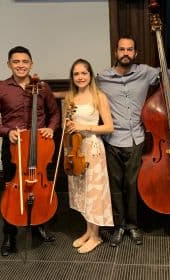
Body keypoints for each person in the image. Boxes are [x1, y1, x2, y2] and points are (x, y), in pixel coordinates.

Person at [96, 35, 170, 247]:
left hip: (137, 139)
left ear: (135, 53)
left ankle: (133, 226)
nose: (125, 53)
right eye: (122, 49)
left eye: (129, 49)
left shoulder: (146, 72)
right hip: (111, 139)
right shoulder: (101, 78)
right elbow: (80, 91)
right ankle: (119, 226)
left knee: (133, 185)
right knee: (116, 186)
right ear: (116, 52)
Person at [0, 46, 60, 256]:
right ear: (9, 64)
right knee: (11, 189)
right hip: (13, 147)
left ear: (31, 63)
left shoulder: (42, 88)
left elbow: (54, 114)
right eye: (16, 62)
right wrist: (6, 131)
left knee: (39, 187)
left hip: (40, 148)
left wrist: (50, 129)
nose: (20, 65)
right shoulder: (0, 88)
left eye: (24, 61)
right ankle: (9, 234)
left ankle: (39, 224)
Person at [64, 58, 114, 253]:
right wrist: (68, 130)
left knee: (94, 192)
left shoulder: (99, 96)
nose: (80, 77)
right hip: (76, 148)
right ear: (72, 77)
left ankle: (96, 236)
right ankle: (88, 230)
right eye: (76, 74)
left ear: (90, 75)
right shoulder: (70, 98)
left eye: (84, 73)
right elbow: (66, 126)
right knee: (81, 190)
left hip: (92, 146)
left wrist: (84, 126)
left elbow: (109, 127)